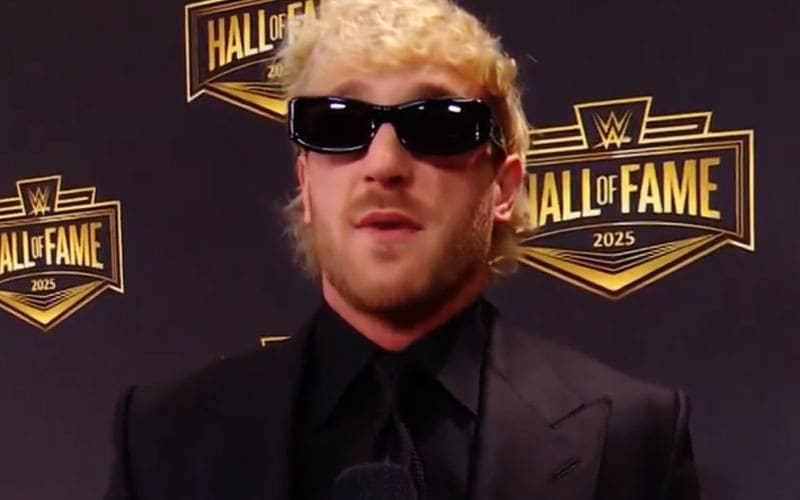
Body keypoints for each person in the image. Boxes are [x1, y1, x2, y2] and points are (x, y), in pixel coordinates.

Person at [104, 0, 701, 499]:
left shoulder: (632, 440)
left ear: (502, 187)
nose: (384, 164)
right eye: (338, 123)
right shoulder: (163, 440)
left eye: (437, 124)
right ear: (306, 184)